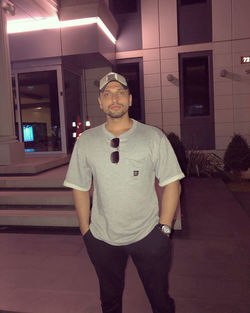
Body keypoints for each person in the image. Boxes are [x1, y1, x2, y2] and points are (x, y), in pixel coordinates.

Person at [64, 72, 185, 313]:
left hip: (149, 236)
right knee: (109, 302)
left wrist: (164, 229)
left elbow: (172, 182)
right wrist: (85, 230)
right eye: (107, 94)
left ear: (130, 99)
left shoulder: (153, 137)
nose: (114, 98)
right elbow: (79, 186)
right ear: (100, 102)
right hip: (102, 238)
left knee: (160, 301)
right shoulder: (86, 141)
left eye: (120, 92)